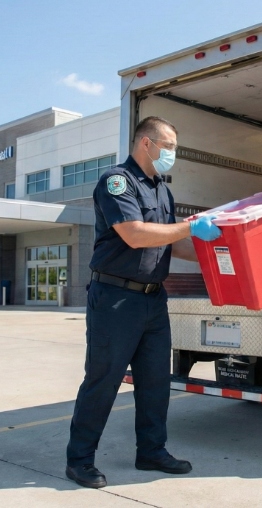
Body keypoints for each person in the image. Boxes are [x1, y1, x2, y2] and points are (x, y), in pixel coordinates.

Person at [65, 116, 221, 489]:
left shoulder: (162, 191)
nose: (172, 153)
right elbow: (135, 235)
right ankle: (80, 460)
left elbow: (172, 242)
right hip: (116, 299)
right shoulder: (117, 181)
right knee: (103, 381)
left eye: (175, 147)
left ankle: (151, 451)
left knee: (155, 382)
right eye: (167, 145)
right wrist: (190, 225)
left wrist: (217, 253)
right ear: (145, 144)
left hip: (153, 300)